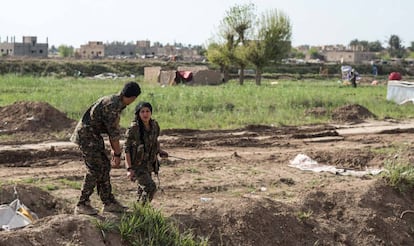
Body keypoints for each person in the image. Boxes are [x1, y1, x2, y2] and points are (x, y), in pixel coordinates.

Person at [71, 81, 141, 215]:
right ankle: (82, 203)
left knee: (104, 166)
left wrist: (115, 151)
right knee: (95, 169)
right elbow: (113, 135)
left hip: (93, 136)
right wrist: (117, 153)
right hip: (87, 136)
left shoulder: (114, 101)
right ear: (133, 98)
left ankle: (108, 202)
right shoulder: (112, 106)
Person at [124, 101, 168, 204]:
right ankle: (142, 209)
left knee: (142, 190)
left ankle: (138, 212)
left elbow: (154, 141)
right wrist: (129, 168)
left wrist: (160, 151)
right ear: (138, 114)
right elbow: (126, 148)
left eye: (147, 111)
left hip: (149, 164)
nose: (145, 114)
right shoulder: (133, 129)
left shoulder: (154, 125)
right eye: (142, 111)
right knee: (150, 187)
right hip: (137, 165)